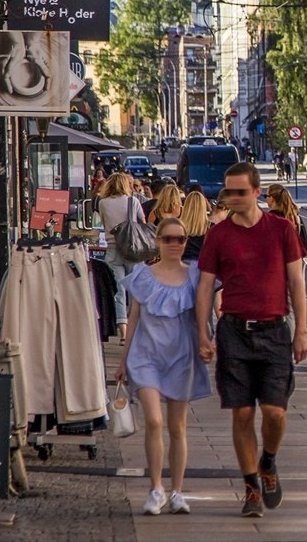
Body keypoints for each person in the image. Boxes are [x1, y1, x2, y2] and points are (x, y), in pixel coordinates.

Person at [194, 162, 307, 518]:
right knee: (242, 412)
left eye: (241, 192)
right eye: (229, 192)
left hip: (274, 330)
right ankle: (250, 488)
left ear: (258, 192)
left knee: (274, 412)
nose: (234, 198)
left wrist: (301, 330)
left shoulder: (281, 228)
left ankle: (268, 462)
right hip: (234, 331)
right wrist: (203, 332)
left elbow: (297, 281)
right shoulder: (219, 234)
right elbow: (205, 286)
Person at [116, 217, 211, 515]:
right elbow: (133, 318)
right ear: (157, 241)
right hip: (145, 356)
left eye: (180, 239)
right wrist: (123, 359)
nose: (174, 244)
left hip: (181, 357)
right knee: (154, 421)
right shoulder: (142, 276)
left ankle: (177, 491)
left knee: (177, 427)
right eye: (168, 238)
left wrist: (207, 342)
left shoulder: (195, 275)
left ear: (185, 242)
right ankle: (156, 487)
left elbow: (204, 315)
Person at [97, 172, 147, 338]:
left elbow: (105, 224)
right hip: (132, 249)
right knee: (134, 289)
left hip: (112, 248)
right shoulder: (133, 201)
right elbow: (143, 223)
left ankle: (123, 330)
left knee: (118, 290)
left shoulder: (103, 203)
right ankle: (134, 327)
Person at [266, 185, 307, 258]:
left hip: (275, 265)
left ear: (272, 198)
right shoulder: (296, 218)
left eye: (266, 196)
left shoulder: (268, 220)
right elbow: (305, 246)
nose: (266, 199)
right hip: (293, 265)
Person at [178, 192, 211, 262]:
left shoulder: (177, 225)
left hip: (182, 264)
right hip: (203, 265)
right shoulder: (211, 227)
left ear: (186, 205)